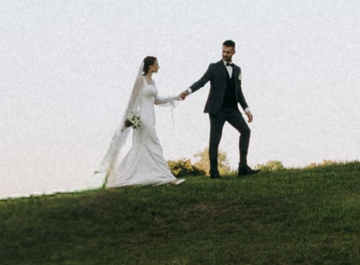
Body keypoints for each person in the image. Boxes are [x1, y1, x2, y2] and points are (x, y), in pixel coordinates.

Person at [97, 55, 189, 188]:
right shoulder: (140, 80)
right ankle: (169, 178)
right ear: (150, 66)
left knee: (142, 147)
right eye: (156, 64)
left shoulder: (153, 82)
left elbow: (156, 100)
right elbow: (132, 100)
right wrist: (129, 117)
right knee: (155, 146)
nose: (158, 66)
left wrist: (175, 97)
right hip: (143, 118)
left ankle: (129, 176)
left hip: (151, 117)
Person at [186, 39, 254, 176]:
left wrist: (246, 109)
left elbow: (238, 91)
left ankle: (243, 168)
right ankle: (214, 171)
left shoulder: (237, 69)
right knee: (215, 139)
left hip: (232, 109)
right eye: (223, 51)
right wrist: (187, 91)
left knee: (246, 131)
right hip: (216, 109)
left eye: (228, 52)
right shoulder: (214, 67)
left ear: (234, 52)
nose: (225, 54)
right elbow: (202, 81)